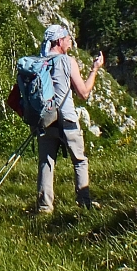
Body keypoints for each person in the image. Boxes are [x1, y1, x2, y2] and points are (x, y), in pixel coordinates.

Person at [35, 24, 105, 214]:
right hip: (67, 119)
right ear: (59, 41)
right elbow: (83, 92)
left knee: (46, 162)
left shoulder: (40, 62)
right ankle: (84, 203)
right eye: (67, 38)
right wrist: (95, 69)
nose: (70, 42)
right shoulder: (67, 61)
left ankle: (44, 207)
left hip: (46, 119)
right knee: (79, 160)